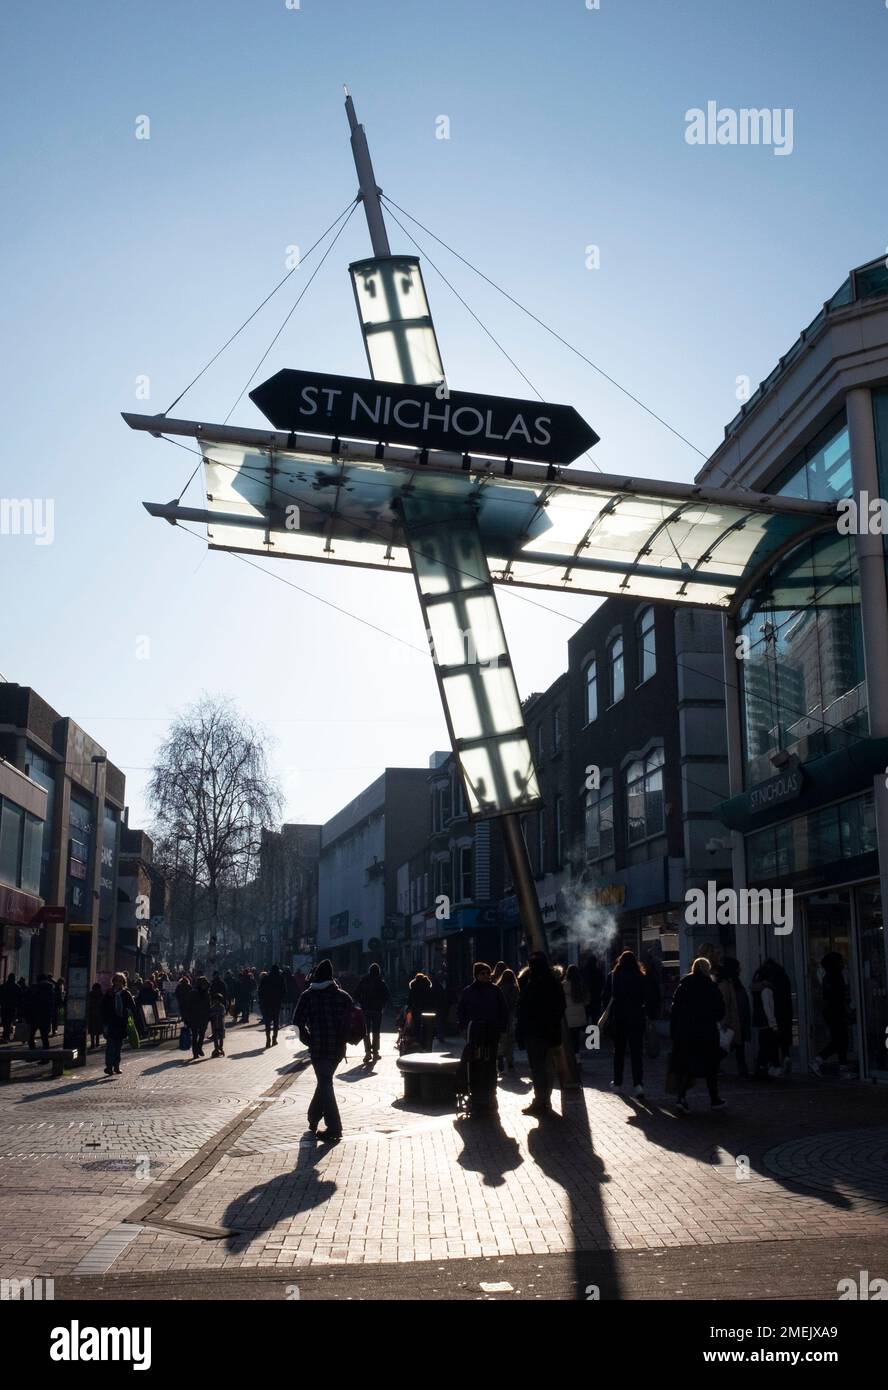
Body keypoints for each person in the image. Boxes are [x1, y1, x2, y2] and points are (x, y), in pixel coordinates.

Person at [293, 958, 352, 1141]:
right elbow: (353, 1019)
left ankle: (334, 1127)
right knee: (325, 1082)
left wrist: (308, 1040)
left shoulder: (307, 996)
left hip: (318, 1048)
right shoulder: (342, 996)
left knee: (325, 1082)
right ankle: (313, 1118)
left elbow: (296, 1022)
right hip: (337, 1049)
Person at [670, 957, 727, 1112]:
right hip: (707, 1032)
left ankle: (681, 1098)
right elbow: (720, 1010)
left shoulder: (684, 985)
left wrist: (675, 1031)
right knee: (711, 1067)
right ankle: (714, 1099)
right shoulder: (711, 986)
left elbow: (675, 1009)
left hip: (687, 1032)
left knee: (688, 1066)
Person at [516, 952, 566, 1118]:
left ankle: (540, 1100)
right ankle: (546, 1099)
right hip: (551, 1032)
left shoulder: (531, 985)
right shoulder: (554, 983)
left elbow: (523, 1010)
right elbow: (561, 1007)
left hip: (535, 1033)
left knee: (537, 1068)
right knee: (547, 1067)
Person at [457, 961, 509, 1113]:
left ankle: (491, 1094)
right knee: (475, 1062)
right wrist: (462, 1027)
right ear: (476, 975)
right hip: (475, 1033)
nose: (486, 976)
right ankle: (477, 1093)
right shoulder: (468, 991)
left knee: (490, 1062)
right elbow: (461, 1010)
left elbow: (503, 1010)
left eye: (487, 973)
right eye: (482, 973)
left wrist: (501, 1027)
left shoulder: (495, 990)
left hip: (491, 1032)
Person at [601, 950, 655, 1098]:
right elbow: (647, 997)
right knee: (636, 1052)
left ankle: (617, 1083)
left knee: (618, 1051)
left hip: (619, 1018)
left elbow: (605, 997)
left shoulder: (613, 976)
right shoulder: (641, 976)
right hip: (637, 1017)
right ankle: (638, 1084)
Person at [811, 952, 852, 1077]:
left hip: (831, 1011)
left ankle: (842, 1068)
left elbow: (827, 996)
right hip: (836, 1011)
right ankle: (818, 1061)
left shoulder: (827, 977)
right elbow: (839, 995)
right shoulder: (836, 976)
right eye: (840, 961)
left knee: (840, 1039)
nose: (842, 963)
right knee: (840, 1040)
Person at [715, 958, 750, 1076]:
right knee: (730, 1045)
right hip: (734, 1020)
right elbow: (725, 1002)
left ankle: (742, 1069)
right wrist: (725, 1019)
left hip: (739, 1019)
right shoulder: (726, 984)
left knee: (735, 1045)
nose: (740, 969)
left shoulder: (733, 983)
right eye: (738, 967)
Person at [355, 962, 391, 1064]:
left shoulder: (363, 981)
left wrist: (361, 1003)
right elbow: (387, 996)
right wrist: (382, 1005)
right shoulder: (381, 982)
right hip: (377, 1010)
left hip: (365, 1009)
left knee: (365, 1032)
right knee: (376, 1032)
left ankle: (367, 1053)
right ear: (378, 972)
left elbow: (356, 993)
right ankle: (375, 1052)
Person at [101, 973, 136, 1077]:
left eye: (121, 981)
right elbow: (103, 1007)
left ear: (124, 982)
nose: (118, 983)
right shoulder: (109, 993)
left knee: (118, 1046)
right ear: (114, 981)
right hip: (111, 1023)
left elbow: (133, 1008)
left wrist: (126, 1012)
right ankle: (109, 1067)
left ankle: (116, 1065)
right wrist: (104, 1021)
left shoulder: (126, 994)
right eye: (117, 980)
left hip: (121, 1023)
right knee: (110, 1046)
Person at [751, 963, 782, 1078]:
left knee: (764, 1047)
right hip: (767, 1023)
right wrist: (774, 1024)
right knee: (768, 1046)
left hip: (761, 1023)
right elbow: (768, 1008)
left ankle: (763, 1068)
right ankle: (768, 1067)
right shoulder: (766, 990)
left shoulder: (757, 989)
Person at [495, 967, 519, 1074]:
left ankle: (500, 1057)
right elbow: (516, 1003)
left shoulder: (498, 988)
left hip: (500, 1017)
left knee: (501, 1040)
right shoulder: (515, 988)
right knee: (510, 1041)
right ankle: (510, 1062)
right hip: (511, 1017)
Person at [183, 976, 211, 1060]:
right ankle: (195, 1052)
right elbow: (187, 1006)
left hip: (203, 1017)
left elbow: (208, 1005)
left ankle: (199, 1048)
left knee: (202, 1034)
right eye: (203, 983)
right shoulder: (193, 993)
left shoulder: (206, 993)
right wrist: (186, 1017)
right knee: (195, 1035)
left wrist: (209, 1015)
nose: (204, 985)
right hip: (194, 1017)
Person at [258, 964, 285, 1047]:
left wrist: (261, 1000)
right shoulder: (280, 978)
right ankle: (274, 1039)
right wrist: (281, 1000)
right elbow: (284, 991)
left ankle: (268, 1039)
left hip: (267, 1003)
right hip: (276, 1003)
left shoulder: (265, 978)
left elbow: (260, 990)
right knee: (276, 1022)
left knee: (267, 1022)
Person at [28, 974, 55, 1050]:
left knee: (31, 1034)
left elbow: (29, 1000)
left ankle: (32, 1051)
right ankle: (45, 1056)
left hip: (35, 1014)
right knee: (44, 1036)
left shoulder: (34, 987)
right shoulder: (50, 988)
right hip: (45, 1014)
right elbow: (52, 1002)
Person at [1, 973, 21, 1042]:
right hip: (13, 1006)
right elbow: (20, 997)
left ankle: (5, 1034)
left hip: (4, 1006)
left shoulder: (3, 986)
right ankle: (7, 1035)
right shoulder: (17, 987)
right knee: (10, 1020)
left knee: (5, 1020)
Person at [209, 989, 227, 1058]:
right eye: (215, 1000)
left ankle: (221, 1047)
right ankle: (216, 1048)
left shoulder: (222, 1007)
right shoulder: (212, 1007)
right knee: (215, 1037)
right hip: (214, 1024)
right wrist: (214, 1014)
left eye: (217, 1000)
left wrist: (215, 1014)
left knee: (221, 1037)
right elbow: (210, 1014)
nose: (216, 1001)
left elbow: (223, 1013)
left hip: (220, 1024)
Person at [87, 982, 104, 1050]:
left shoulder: (90, 994)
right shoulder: (100, 994)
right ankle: (97, 1042)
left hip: (91, 1014)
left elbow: (88, 1003)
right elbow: (103, 1004)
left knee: (92, 1030)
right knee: (97, 1029)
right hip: (99, 1014)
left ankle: (92, 1043)